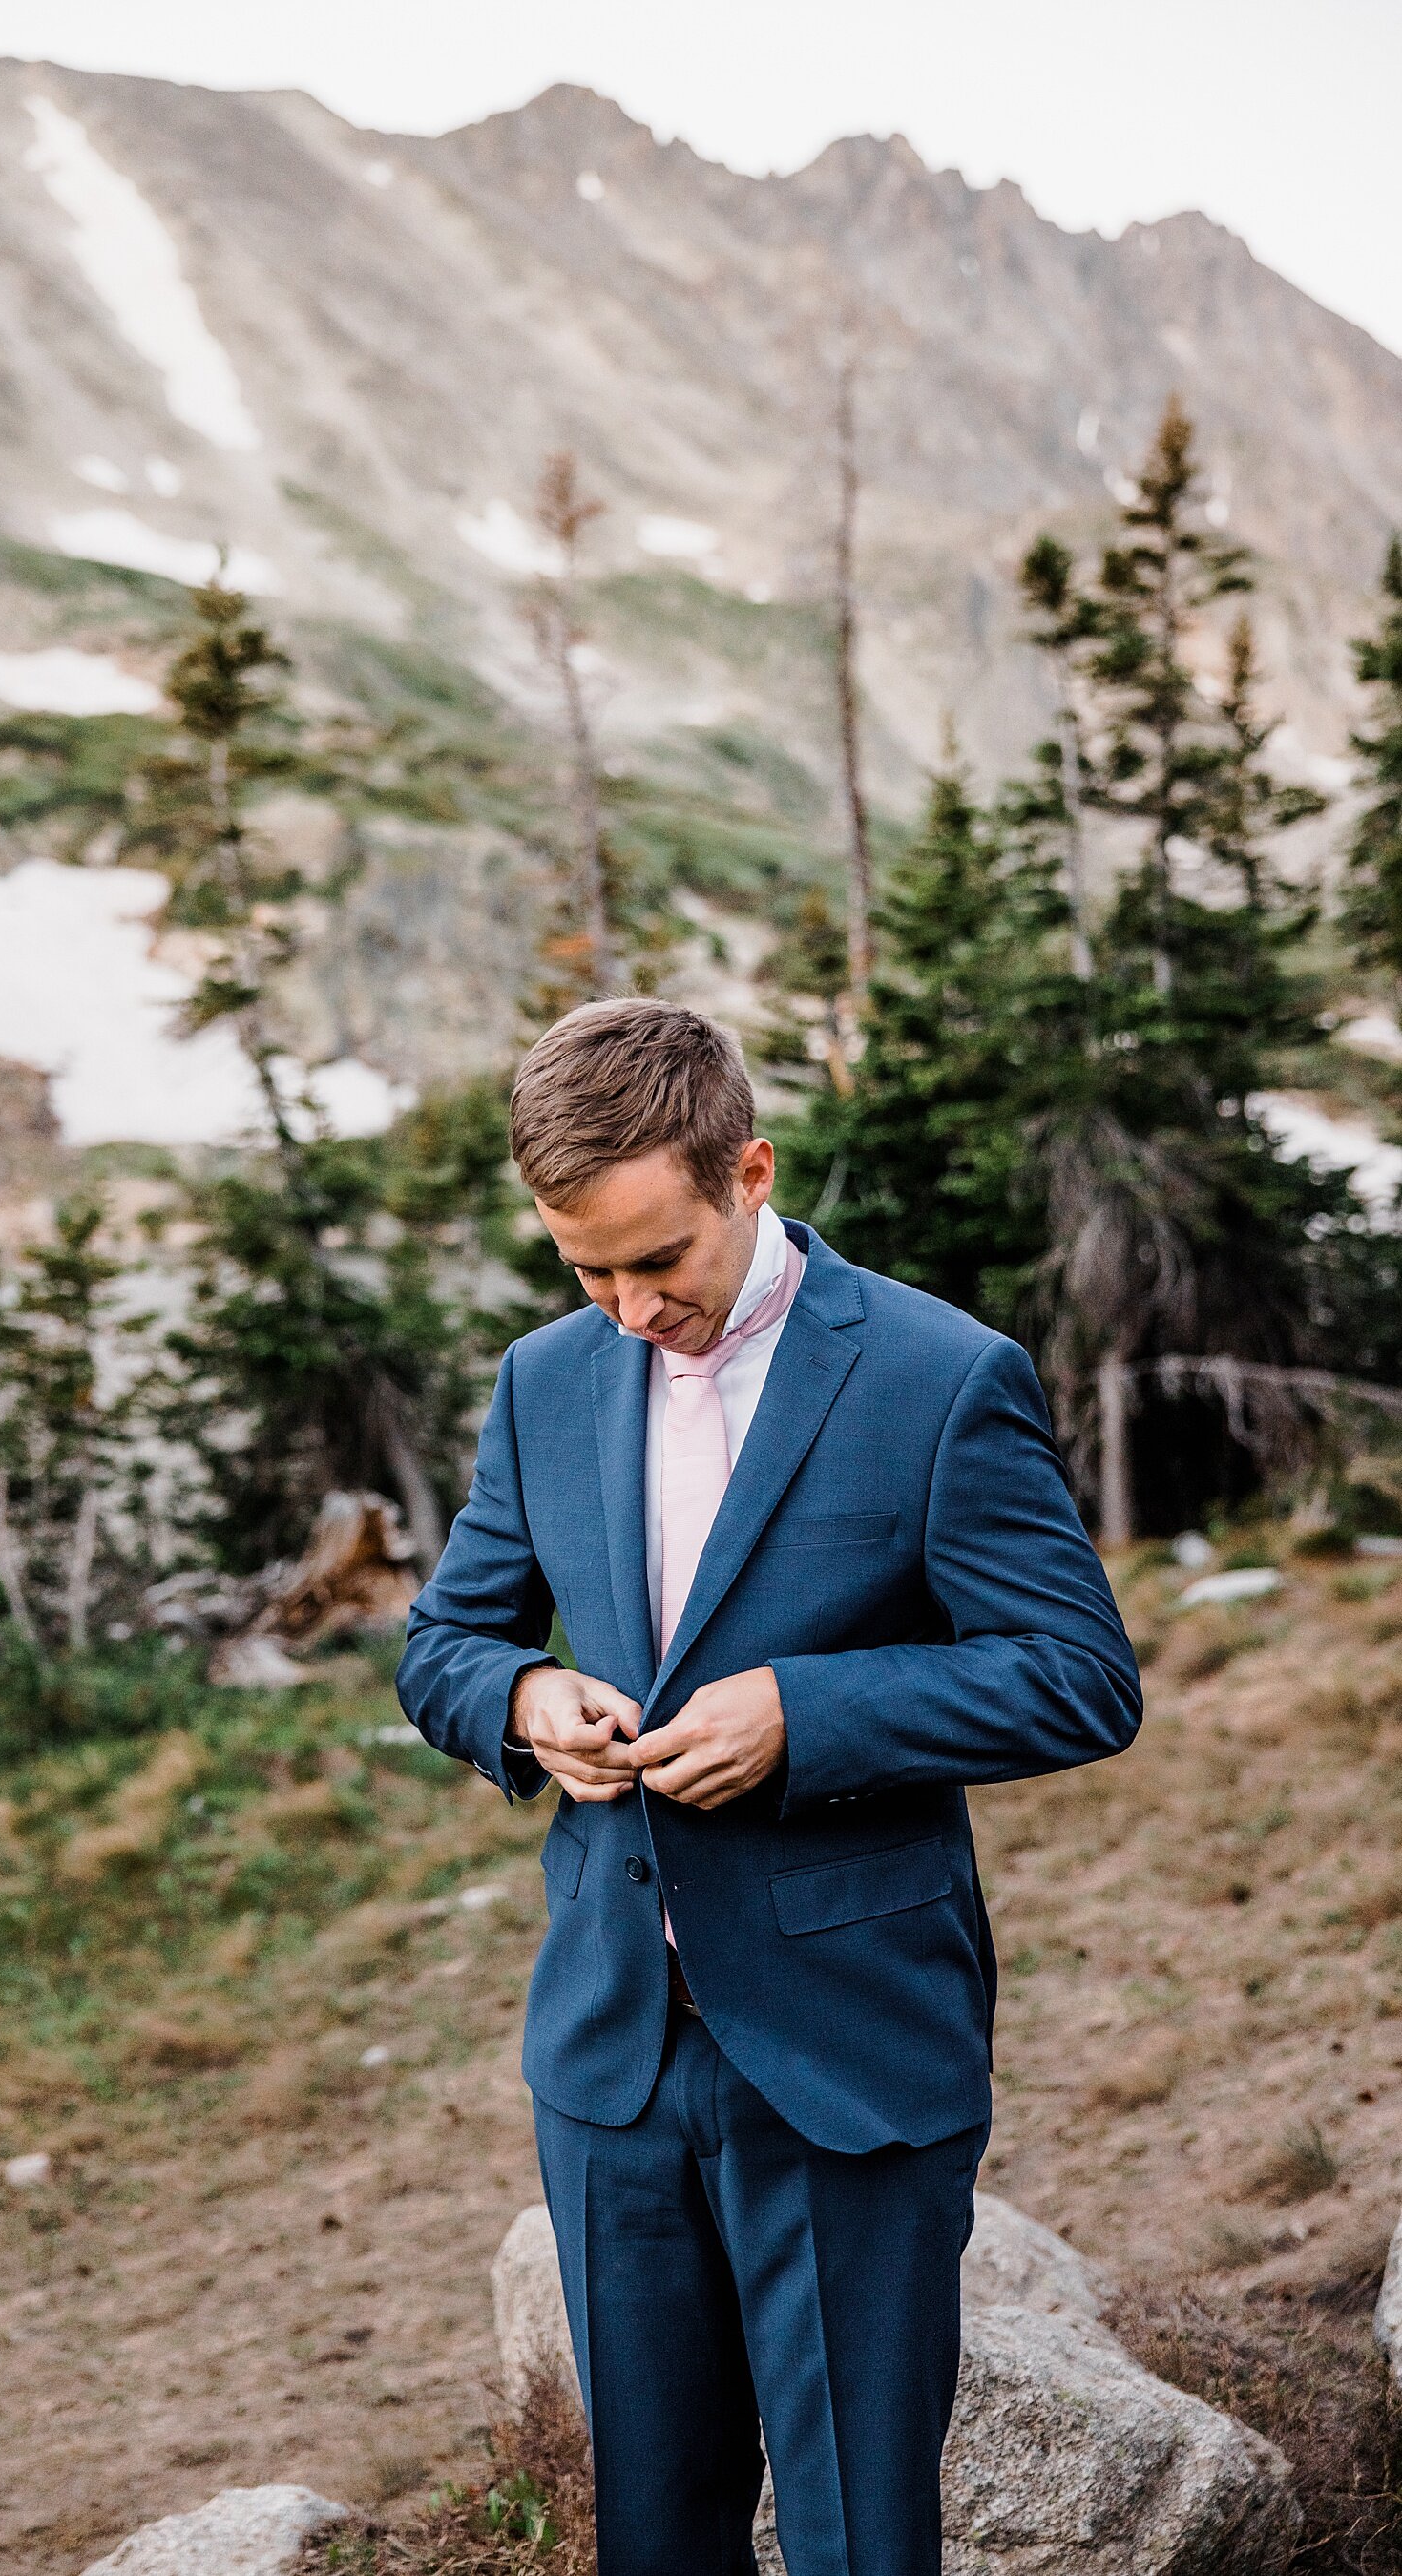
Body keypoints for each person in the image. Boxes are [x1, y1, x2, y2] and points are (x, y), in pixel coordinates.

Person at [397, 997, 1141, 2576]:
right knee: (653, 2543)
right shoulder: (545, 1382)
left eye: (656, 1260)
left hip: (850, 2049)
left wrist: (808, 1715)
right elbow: (446, 1640)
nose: (624, 1306)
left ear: (750, 1170)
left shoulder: (942, 1377)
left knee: (865, 2541)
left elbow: (1082, 1674)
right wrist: (526, 1701)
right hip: (609, 2064)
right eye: (582, 1267)